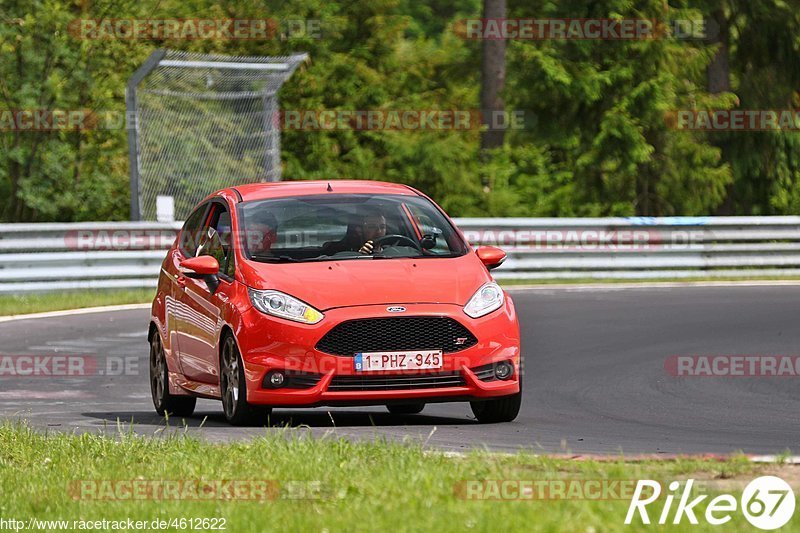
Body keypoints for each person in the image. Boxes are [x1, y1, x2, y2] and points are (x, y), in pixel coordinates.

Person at [321, 209, 387, 255]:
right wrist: (360, 256)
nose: (379, 231)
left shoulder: (394, 252)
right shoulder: (345, 255)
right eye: (372, 227)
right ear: (359, 230)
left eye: (382, 227)